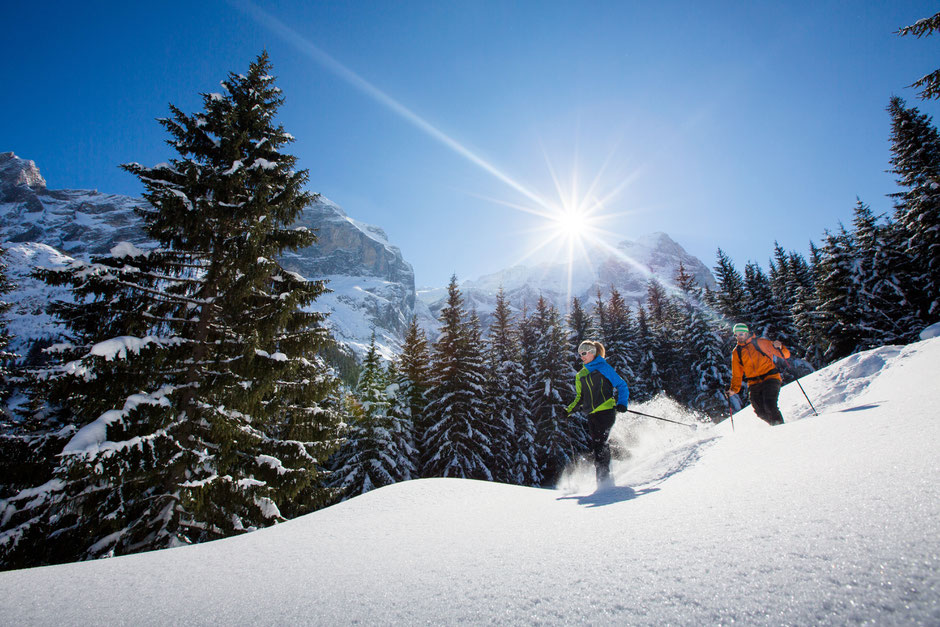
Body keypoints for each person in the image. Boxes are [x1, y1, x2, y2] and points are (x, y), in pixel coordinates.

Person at [566, 340, 630, 485]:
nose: (581, 356)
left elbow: (621, 385)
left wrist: (622, 403)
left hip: (607, 412)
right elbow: (579, 397)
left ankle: (603, 480)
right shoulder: (580, 375)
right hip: (592, 415)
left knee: (600, 444)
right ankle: (625, 455)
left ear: (592, 353)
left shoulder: (603, 367)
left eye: (584, 353)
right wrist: (568, 411)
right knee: (598, 445)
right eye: (579, 354)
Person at [726, 323, 791, 426]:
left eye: (741, 334)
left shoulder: (761, 343)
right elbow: (737, 373)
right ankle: (775, 426)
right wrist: (734, 389)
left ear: (746, 333)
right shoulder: (737, 352)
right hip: (753, 382)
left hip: (770, 378)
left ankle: (780, 428)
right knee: (759, 411)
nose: (739, 337)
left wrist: (780, 347)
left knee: (770, 404)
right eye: (736, 335)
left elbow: (785, 355)